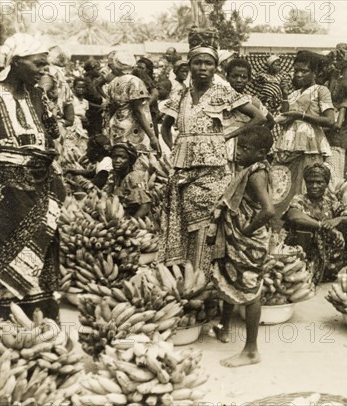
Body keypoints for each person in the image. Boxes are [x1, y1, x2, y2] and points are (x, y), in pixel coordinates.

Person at [158, 40, 266, 272]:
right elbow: (165, 127)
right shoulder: (181, 96)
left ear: (216, 67)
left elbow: (258, 117)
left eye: (209, 63)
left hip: (213, 170)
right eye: (198, 63)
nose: (203, 68)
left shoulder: (222, 92)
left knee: (208, 224)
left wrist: (228, 135)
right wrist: (173, 148)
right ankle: (188, 277)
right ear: (190, 66)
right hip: (182, 172)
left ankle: (206, 275)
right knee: (184, 223)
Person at [0, 33, 66, 320]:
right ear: (16, 61)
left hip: (39, 190)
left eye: (46, 65)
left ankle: (39, 323)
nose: (44, 70)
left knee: (41, 255)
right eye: (39, 64)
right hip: (4, 195)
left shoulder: (38, 95)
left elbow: (53, 135)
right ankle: (3, 326)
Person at [209, 126, 275, 367]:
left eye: (246, 149)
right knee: (230, 277)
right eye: (240, 146)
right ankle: (224, 326)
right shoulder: (249, 168)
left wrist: (245, 230)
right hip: (236, 238)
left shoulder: (257, 173)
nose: (239, 152)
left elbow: (268, 210)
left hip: (248, 240)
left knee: (249, 290)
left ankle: (251, 350)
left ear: (261, 153)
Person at [272, 51, 335, 217]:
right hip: (288, 145)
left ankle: (307, 223)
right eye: (296, 70)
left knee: (306, 185)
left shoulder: (321, 91)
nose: (299, 74)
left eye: (304, 71)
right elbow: (285, 115)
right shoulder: (294, 93)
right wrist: (285, 95)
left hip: (309, 145)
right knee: (284, 186)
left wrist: (301, 116)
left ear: (315, 73)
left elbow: (330, 120)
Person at [283, 163, 347, 283]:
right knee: (303, 226)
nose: (314, 186)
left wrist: (339, 220)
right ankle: (302, 271)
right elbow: (293, 215)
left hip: (331, 259)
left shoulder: (331, 203)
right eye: (310, 182)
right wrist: (323, 226)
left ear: (326, 184)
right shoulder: (300, 200)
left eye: (319, 182)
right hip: (309, 256)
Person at [101, 51, 160, 156]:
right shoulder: (135, 81)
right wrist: (152, 136)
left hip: (117, 125)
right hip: (132, 129)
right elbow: (138, 111)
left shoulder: (113, 82)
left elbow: (111, 106)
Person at [224, 58, 274, 173]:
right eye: (234, 76)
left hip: (244, 150)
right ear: (227, 77)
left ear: (249, 79)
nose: (239, 80)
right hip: (224, 147)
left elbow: (269, 121)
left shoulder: (252, 101)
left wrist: (255, 139)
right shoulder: (221, 98)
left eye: (243, 77)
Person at [104, 143, 151, 218]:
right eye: (114, 157)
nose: (117, 160)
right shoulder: (114, 176)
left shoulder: (134, 177)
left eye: (122, 157)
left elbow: (145, 206)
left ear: (130, 160)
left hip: (135, 220)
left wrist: (131, 223)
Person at [82, 59, 104, 137]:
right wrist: (100, 106)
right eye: (97, 69)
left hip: (97, 114)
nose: (99, 71)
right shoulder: (84, 82)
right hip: (89, 115)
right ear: (90, 70)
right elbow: (83, 101)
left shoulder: (94, 81)